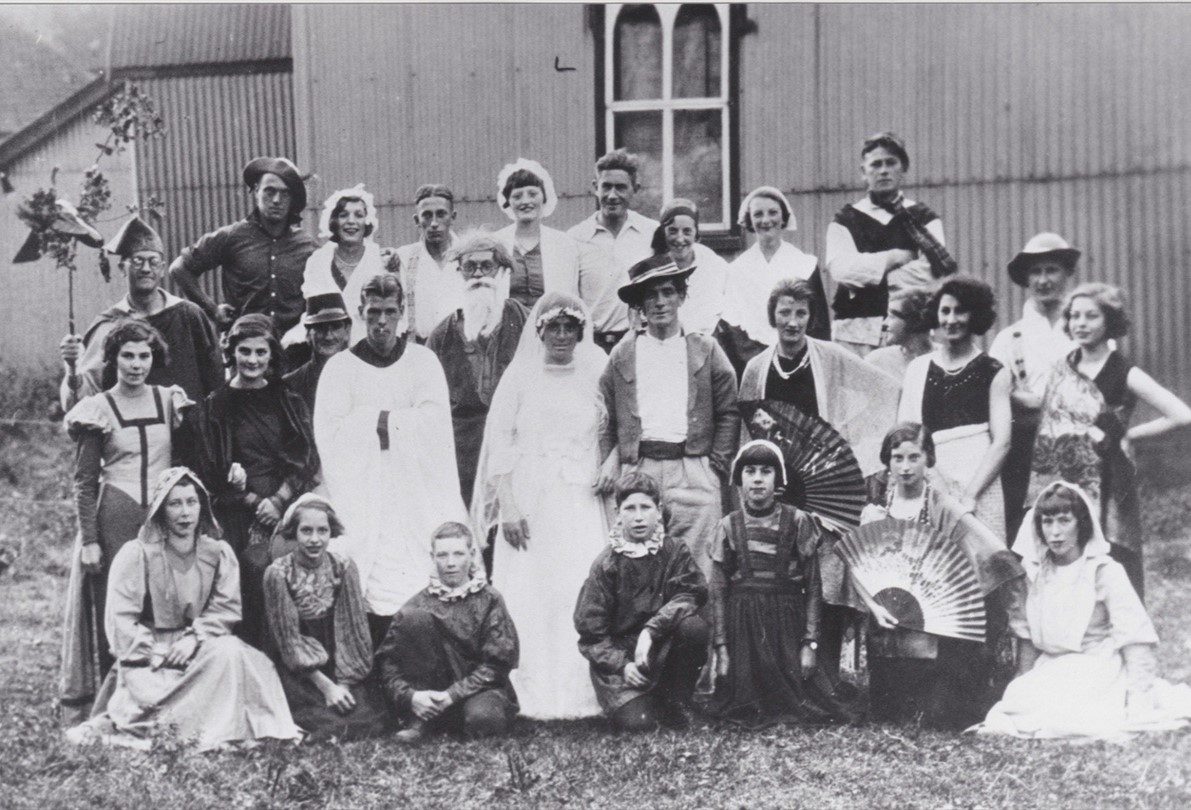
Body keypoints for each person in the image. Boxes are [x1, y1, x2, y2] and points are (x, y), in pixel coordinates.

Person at [65, 467, 300, 751]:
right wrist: (155, 650)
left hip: (199, 647)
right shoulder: (137, 554)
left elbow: (225, 608)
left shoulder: (217, 552)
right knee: (153, 695)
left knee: (236, 653)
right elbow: (120, 621)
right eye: (175, 504)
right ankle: (186, 727)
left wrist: (195, 637)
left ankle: (224, 729)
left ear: (202, 506)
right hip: (151, 657)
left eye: (192, 502)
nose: (185, 513)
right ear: (161, 509)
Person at [739, 278, 900, 680]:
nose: (792, 322)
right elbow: (748, 436)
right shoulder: (756, 368)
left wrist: (851, 444)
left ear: (811, 317)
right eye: (784, 313)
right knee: (781, 570)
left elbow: (885, 390)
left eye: (801, 313)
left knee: (825, 571)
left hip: (824, 486)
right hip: (779, 483)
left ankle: (823, 672)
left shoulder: (829, 356)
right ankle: (782, 670)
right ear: (772, 316)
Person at [470, 290, 608, 720]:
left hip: (582, 498)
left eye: (570, 328)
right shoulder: (521, 377)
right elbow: (499, 445)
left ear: (581, 332)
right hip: (531, 499)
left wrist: (612, 465)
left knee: (577, 583)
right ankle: (527, 690)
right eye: (554, 328)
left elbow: (616, 429)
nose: (562, 336)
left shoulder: (597, 372)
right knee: (533, 588)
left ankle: (581, 691)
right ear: (540, 331)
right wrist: (508, 507)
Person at [313, 273, 468, 645]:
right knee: (367, 561)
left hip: (416, 485)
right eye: (373, 312)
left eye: (390, 312)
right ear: (361, 314)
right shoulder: (340, 369)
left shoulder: (423, 361)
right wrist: (395, 421)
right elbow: (330, 433)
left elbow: (434, 425)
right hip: (362, 489)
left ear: (402, 315)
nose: (382, 322)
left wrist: (371, 419)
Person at [975, 482, 1191, 741]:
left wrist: (1139, 700)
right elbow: (1028, 640)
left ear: (1082, 524)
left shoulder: (1104, 572)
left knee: (1072, 719)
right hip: (1051, 668)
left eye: (1064, 521)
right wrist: (1022, 684)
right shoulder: (1035, 575)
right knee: (1015, 709)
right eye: (1047, 522)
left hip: (1097, 666)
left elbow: (1135, 638)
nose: (1055, 533)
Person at [850, 424, 1028, 730]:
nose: (905, 468)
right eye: (897, 458)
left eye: (914, 457)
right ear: (887, 462)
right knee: (888, 714)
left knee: (939, 715)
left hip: (935, 628)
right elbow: (858, 566)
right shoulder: (878, 509)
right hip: (887, 624)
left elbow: (970, 556)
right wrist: (874, 607)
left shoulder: (941, 506)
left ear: (929, 459)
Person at [58, 320, 193, 724]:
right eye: (128, 356)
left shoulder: (169, 400)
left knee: (161, 606)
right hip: (116, 513)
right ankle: (108, 704)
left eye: (144, 356)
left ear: (155, 358)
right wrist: (90, 539)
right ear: (113, 358)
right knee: (116, 609)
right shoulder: (97, 409)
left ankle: (159, 699)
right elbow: (83, 481)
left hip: (162, 516)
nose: (136, 365)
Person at [1027, 283, 1191, 598]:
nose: (1081, 324)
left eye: (1091, 316)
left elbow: (1181, 414)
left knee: (1113, 558)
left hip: (1110, 480)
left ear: (1110, 321)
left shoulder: (1123, 371)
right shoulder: (1062, 368)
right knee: (1068, 558)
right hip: (1067, 478)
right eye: (1074, 316)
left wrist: (1130, 435)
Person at [596, 254, 739, 577]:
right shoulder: (623, 353)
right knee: (639, 563)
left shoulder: (705, 348)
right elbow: (606, 414)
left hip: (692, 468)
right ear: (640, 306)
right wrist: (613, 459)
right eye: (650, 295)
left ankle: (701, 628)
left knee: (700, 564)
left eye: (667, 292)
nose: (660, 302)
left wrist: (716, 462)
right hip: (640, 467)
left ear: (681, 296)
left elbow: (729, 409)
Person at [704, 440, 856, 726]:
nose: (758, 478)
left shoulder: (799, 521)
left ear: (779, 480)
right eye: (750, 471)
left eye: (766, 471)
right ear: (739, 481)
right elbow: (717, 592)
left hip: (787, 625)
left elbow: (812, 588)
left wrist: (809, 645)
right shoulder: (727, 526)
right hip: (744, 629)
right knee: (741, 704)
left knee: (814, 703)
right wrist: (722, 648)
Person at [189, 314, 318, 646]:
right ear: (232, 353)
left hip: (285, 509)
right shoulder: (215, 406)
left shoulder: (286, 400)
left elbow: (304, 455)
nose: (252, 360)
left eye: (261, 352)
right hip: (236, 512)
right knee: (241, 590)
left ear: (272, 355)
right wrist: (251, 500)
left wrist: (277, 501)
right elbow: (209, 469)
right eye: (244, 351)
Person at [574, 473, 710, 731]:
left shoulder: (674, 550)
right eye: (630, 509)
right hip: (621, 665)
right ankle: (640, 704)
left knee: (693, 628)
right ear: (618, 513)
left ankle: (676, 701)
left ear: (658, 511)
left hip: (661, 648)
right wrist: (622, 666)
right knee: (640, 724)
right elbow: (591, 635)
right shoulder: (606, 565)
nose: (638, 517)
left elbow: (691, 592)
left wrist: (651, 630)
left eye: (645, 507)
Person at [262, 494, 392, 740]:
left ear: (332, 532)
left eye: (322, 531)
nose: (314, 539)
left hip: (339, 657)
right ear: (293, 532)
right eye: (306, 531)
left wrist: (342, 683)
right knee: (318, 718)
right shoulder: (278, 574)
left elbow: (353, 627)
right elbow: (288, 641)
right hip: (299, 665)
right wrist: (326, 686)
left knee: (368, 718)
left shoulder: (343, 567)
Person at [58, 215, 221, 411]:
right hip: (130, 435)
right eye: (137, 261)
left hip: (188, 435)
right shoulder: (109, 325)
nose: (146, 269)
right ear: (122, 268)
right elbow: (79, 401)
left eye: (153, 262)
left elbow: (216, 382)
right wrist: (72, 366)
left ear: (161, 269)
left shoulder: (190, 316)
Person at [375, 522, 519, 742]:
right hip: (432, 693)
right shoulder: (418, 603)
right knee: (413, 618)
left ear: (472, 555)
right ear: (432, 557)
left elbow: (498, 664)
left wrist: (453, 695)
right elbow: (387, 663)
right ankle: (421, 721)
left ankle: (459, 718)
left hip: (479, 690)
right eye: (442, 555)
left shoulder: (490, 599)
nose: (450, 563)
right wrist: (411, 697)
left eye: (458, 554)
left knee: (484, 720)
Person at [899, 277, 1012, 540]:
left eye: (960, 311)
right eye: (945, 311)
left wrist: (971, 495)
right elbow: (905, 435)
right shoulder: (918, 368)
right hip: (930, 480)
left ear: (975, 315)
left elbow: (1002, 442)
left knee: (984, 563)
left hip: (981, 483)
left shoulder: (994, 371)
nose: (951, 320)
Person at [827, 132, 957, 357]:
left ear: (903, 169)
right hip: (854, 333)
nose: (883, 170)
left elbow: (932, 273)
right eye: (876, 164)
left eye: (891, 163)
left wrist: (869, 278)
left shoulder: (923, 218)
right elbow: (841, 269)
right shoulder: (845, 219)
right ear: (863, 172)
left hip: (910, 331)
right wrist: (895, 257)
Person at [989, 233, 1080, 539]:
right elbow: (993, 397)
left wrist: (1041, 400)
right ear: (1026, 279)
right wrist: (1017, 396)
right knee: (1028, 536)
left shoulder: (1087, 331)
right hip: (1024, 457)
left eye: (1051, 269)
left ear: (1067, 273)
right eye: (1036, 272)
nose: (1043, 280)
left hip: (1079, 449)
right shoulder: (1008, 339)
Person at [427, 231, 529, 505]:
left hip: (517, 447)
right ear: (458, 272)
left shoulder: (523, 320)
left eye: (487, 266)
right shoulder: (441, 335)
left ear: (502, 272)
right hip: (464, 452)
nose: (479, 274)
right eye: (470, 267)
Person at [169, 157, 316, 337]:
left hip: (293, 350)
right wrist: (212, 310)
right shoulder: (232, 236)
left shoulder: (307, 247)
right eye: (270, 191)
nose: (277, 200)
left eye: (285, 193)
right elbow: (179, 268)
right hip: (244, 348)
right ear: (256, 192)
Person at [718, 186, 830, 375]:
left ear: (783, 217)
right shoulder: (737, 269)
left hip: (800, 363)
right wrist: (758, 361)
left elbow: (818, 324)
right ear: (749, 220)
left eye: (772, 212)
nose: (766, 220)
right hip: (752, 364)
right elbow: (732, 326)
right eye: (758, 214)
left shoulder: (804, 264)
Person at [285, 184, 401, 349]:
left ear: (367, 221)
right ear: (333, 221)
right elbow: (312, 309)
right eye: (343, 215)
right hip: (327, 340)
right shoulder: (318, 260)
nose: (351, 222)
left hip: (371, 342)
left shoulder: (381, 260)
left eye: (359, 215)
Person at [567, 149, 660, 353]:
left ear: (635, 189)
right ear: (595, 188)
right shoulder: (575, 238)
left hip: (641, 343)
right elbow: (570, 299)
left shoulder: (652, 232)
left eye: (620, 188)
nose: (612, 196)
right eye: (606, 187)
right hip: (592, 346)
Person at [493, 158, 605, 312]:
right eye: (517, 196)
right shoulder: (496, 243)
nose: (525, 201)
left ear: (544, 197)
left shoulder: (564, 243)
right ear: (508, 202)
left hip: (549, 328)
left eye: (532, 194)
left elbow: (572, 295)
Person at [649, 198, 729, 336]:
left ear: (696, 233)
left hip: (706, 343)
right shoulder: (651, 267)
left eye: (687, 231)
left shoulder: (714, 265)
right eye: (673, 231)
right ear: (663, 233)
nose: (680, 239)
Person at [397, 184, 463, 343]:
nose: (434, 223)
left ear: (452, 217)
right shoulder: (403, 258)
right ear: (416, 220)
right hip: (419, 348)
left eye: (441, 214)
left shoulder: (468, 255)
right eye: (427, 215)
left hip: (463, 350)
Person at [283, 292, 353, 413]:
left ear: (347, 331)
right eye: (320, 328)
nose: (328, 337)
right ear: (307, 334)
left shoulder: (362, 376)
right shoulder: (290, 385)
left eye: (336, 327)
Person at [865, 286, 936, 382]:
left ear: (915, 321)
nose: (884, 323)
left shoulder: (947, 361)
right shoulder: (876, 360)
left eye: (892, 317)